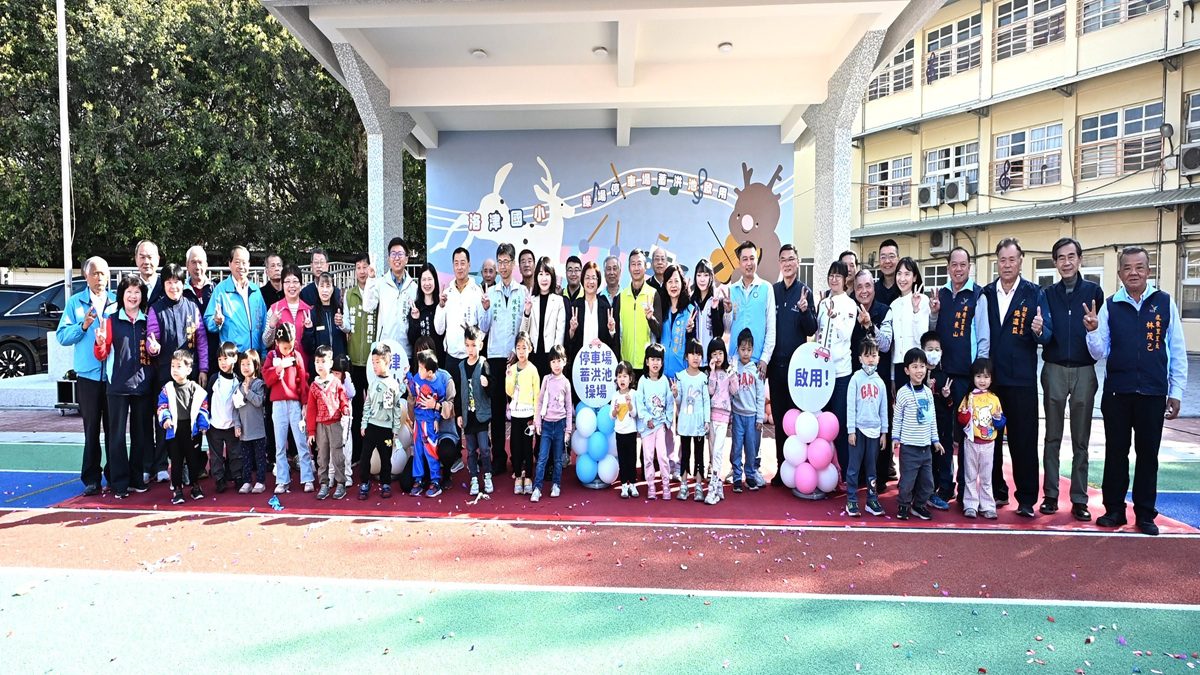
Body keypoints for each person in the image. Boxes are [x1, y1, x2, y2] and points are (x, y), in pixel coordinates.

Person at [1085, 246, 1186, 536]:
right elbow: (1098, 352)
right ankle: (1114, 510)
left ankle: (1145, 513)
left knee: (1148, 455)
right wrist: (1092, 330)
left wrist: (1176, 391)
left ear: (1149, 271)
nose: (1133, 273)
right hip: (1118, 392)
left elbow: (1177, 350)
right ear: (1119, 273)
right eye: (1127, 268)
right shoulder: (1111, 305)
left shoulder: (1164, 302)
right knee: (1116, 453)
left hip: (1153, 393)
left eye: (1139, 267)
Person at [982, 238, 1052, 517]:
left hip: (1021, 379)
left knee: (1024, 440)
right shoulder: (987, 293)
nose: (1007, 265)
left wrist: (1039, 330)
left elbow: (1047, 335)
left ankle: (1026, 498)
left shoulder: (1034, 293)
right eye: (1003, 260)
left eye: (1012, 259)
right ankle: (996, 491)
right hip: (991, 380)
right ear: (997, 263)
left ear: (1021, 260)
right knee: (990, 439)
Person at [1040, 237, 1104, 521]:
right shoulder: (1047, 294)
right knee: (1052, 436)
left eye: (1071, 257)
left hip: (1084, 370)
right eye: (1061, 258)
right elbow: (1044, 333)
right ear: (1055, 262)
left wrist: (1093, 327)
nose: (1066, 262)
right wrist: (1038, 331)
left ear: (1080, 259)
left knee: (1081, 438)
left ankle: (1079, 499)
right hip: (1053, 368)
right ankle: (1051, 495)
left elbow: (1099, 332)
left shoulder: (1093, 291)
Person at [928, 246, 990, 505]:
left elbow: (983, 337)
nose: (958, 269)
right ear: (948, 267)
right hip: (943, 375)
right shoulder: (940, 294)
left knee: (966, 435)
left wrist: (979, 375)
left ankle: (967, 488)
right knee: (942, 433)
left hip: (966, 376)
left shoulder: (978, 295)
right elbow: (931, 333)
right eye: (954, 264)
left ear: (970, 267)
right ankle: (945, 485)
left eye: (963, 264)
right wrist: (933, 313)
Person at [57, 256, 115, 496]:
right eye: (94, 273)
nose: (99, 278)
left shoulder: (116, 301)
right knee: (91, 429)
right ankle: (92, 478)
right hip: (88, 377)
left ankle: (115, 474)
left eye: (103, 273)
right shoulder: (75, 303)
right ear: (85, 276)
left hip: (112, 376)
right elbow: (62, 336)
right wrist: (83, 326)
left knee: (114, 429)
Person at [146, 263, 209, 484]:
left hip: (190, 375)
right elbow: (151, 339)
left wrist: (203, 368)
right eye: (169, 282)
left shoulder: (192, 307)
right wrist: (153, 347)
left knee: (190, 421)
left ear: (183, 284)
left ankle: (192, 466)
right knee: (166, 419)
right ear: (163, 285)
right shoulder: (155, 309)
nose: (174, 286)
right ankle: (164, 465)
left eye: (177, 282)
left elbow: (201, 340)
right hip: (166, 374)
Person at [92, 274, 154, 499]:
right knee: (116, 436)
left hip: (142, 386)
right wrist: (100, 342)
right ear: (122, 295)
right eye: (129, 292)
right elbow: (101, 354)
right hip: (117, 386)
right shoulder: (111, 320)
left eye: (137, 292)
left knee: (140, 436)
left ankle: (137, 479)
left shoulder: (148, 320)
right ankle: (119, 483)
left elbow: (154, 351)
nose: (133, 296)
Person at [768, 245, 816, 486]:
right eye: (783, 260)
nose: (787, 263)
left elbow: (812, 329)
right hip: (775, 366)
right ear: (779, 263)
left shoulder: (805, 292)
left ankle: (798, 467)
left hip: (797, 370)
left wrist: (805, 311)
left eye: (791, 259)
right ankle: (781, 467)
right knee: (779, 419)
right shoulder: (772, 291)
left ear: (797, 262)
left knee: (796, 419)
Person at [479, 243, 527, 474]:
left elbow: (525, 325)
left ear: (513, 264)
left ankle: (520, 457)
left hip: (517, 358)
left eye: (507, 261)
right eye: (500, 262)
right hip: (496, 357)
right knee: (497, 412)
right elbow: (483, 327)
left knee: (519, 410)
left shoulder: (522, 292)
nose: (503, 266)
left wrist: (518, 351)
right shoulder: (490, 293)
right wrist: (485, 309)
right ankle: (498, 457)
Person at [849, 269, 894, 492]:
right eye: (859, 287)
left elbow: (885, 344)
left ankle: (881, 477)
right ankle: (858, 476)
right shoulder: (849, 309)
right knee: (857, 428)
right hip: (855, 381)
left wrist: (869, 325)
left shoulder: (884, 311)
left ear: (874, 287)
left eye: (868, 286)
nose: (864, 291)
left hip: (879, 382)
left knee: (880, 428)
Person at [893, 347, 944, 521]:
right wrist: (895, 438)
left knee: (928, 483)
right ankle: (903, 505)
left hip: (926, 448)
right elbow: (897, 418)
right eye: (914, 367)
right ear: (907, 370)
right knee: (907, 482)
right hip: (909, 448)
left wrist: (935, 440)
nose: (919, 370)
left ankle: (919, 505)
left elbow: (932, 418)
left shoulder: (928, 392)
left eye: (922, 366)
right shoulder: (903, 393)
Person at [262, 323, 314, 494]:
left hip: (294, 404)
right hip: (278, 404)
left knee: (301, 441)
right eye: (284, 347)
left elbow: (303, 381)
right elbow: (267, 379)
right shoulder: (271, 356)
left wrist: (305, 404)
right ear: (277, 343)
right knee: (280, 444)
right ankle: (282, 479)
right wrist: (279, 368)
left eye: (290, 346)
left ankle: (307, 477)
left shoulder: (297, 356)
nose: (287, 350)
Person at [816, 260, 856, 479]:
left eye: (838, 276)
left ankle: (846, 472)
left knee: (839, 423)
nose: (834, 280)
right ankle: (823, 468)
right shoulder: (823, 303)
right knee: (822, 423)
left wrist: (835, 318)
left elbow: (846, 335)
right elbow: (818, 333)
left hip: (841, 372)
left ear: (845, 280)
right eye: (831, 275)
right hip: (822, 372)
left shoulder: (850, 304)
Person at [156, 349, 211, 504]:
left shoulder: (195, 388)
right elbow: (162, 406)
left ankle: (195, 486)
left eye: (179, 366)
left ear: (189, 369)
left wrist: (202, 423)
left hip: (191, 431)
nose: (174, 369)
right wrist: (166, 418)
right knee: (176, 461)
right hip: (174, 431)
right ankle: (177, 489)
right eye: (172, 366)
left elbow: (203, 406)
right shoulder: (167, 389)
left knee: (193, 460)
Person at [957, 357, 1005, 519]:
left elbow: (1000, 423)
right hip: (971, 442)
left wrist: (998, 419)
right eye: (978, 376)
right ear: (972, 378)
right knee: (970, 475)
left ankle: (988, 506)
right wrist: (965, 414)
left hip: (988, 444)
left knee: (986, 477)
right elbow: (962, 420)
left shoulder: (994, 398)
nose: (982, 380)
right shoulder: (968, 397)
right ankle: (970, 505)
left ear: (991, 378)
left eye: (986, 376)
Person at [845, 336, 887, 517]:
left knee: (872, 469)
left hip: (875, 431)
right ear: (860, 358)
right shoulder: (855, 379)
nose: (870, 359)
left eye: (874, 355)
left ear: (878, 358)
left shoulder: (880, 382)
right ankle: (851, 500)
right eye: (867, 355)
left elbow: (884, 409)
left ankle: (871, 499)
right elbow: (850, 407)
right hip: (858, 430)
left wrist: (884, 432)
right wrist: (851, 430)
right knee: (854, 467)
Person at [358, 341, 406, 500]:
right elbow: (367, 404)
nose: (374, 366)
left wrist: (395, 429)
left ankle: (386, 483)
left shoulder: (393, 385)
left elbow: (396, 408)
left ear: (387, 362)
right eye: (373, 362)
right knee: (365, 457)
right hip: (371, 426)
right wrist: (364, 423)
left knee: (386, 458)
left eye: (377, 362)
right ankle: (364, 483)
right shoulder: (372, 383)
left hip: (386, 429)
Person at [343, 253, 376, 470]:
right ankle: (356, 452)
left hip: (374, 362)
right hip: (354, 360)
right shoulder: (349, 294)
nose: (362, 271)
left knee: (373, 408)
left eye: (365, 267)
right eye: (358, 267)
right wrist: (341, 323)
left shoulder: (376, 291)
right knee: (355, 408)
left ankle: (372, 452)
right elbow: (347, 325)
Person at [725, 242, 776, 382]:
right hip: (734, 362)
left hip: (757, 363)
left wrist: (765, 359)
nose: (749, 263)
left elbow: (771, 327)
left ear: (757, 260)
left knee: (757, 396)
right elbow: (727, 329)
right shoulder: (732, 290)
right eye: (745, 259)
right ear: (739, 263)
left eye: (752, 258)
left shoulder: (766, 288)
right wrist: (727, 312)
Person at [306, 344, 351, 500]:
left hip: (335, 423)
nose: (320, 365)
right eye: (317, 362)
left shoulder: (336, 382)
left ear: (330, 363)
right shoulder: (314, 386)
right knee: (322, 456)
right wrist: (311, 431)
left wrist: (345, 409)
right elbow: (311, 410)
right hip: (320, 426)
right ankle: (324, 483)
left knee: (337, 455)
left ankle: (341, 483)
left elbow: (343, 398)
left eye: (323, 361)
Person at [205, 246, 267, 355]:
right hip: (232, 356)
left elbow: (263, 323)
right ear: (230, 264)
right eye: (237, 262)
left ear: (249, 264)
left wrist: (263, 353)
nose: (241, 266)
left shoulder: (255, 290)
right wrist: (216, 321)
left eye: (244, 262)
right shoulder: (221, 290)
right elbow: (208, 319)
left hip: (253, 356)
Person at [531, 344, 574, 502]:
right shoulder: (546, 380)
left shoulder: (566, 383)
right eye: (553, 361)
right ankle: (537, 487)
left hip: (560, 425)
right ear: (550, 363)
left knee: (557, 459)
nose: (556, 365)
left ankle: (556, 484)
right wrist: (538, 422)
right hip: (547, 424)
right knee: (542, 458)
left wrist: (568, 430)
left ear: (565, 361)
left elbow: (568, 408)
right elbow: (540, 401)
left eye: (559, 361)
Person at [365, 236, 418, 361]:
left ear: (406, 259)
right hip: (385, 352)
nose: (397, 258)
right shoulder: (380, 283)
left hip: (406, 352)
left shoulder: (413, 287)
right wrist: (371, 279)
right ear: (389, 259)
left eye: (400, 254)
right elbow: (368, 306)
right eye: (393, 254)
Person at [407, 348, 451, 498]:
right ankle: (418, 479)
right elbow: (413, 390)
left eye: (421, 368)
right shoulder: (417, 377)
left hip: (430, 422)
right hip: (418, 421)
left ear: (430, 372)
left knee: (431, 450)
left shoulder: (439, 384)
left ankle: (435, 480)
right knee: (417, 450)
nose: (418, 370)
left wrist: (437, 419)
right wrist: (407, 376)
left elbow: (441, 402)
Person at [436, 247, 485, 379]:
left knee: (471, 392)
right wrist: (441, 306)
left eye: (463, 263)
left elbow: (483, 327)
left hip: (471, 357)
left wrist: (474, 346)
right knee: (452, 392)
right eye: (456, 263)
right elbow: (439, 330)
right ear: (453, 266)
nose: (459, 267)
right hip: (451, 357)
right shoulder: (447, 293)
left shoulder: (477, 292)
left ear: (469, 265)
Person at [458, 326, 493, 496]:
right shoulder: (461, 366)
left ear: (480, 344)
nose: (470, 349)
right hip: (468, 416)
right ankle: (473, 477)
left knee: (484, 448)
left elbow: (491, 390)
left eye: (473, 345)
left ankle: (487, 475)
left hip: (481, 415)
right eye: (467, 345)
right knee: (471, 449)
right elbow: (458, 392)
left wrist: (488, 384)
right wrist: (459, 413)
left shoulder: (484, 364)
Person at [636, 342, 674, 500]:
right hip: (647, 427)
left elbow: (670, 403)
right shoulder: (642, 381)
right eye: (652, 359)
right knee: (648, 457)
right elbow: (639, 403)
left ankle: (665, 485)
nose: (655, 363)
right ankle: (651, 485)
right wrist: (647, 418)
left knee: (663, 456)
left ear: (662, 362)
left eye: (658, 359)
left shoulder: (664, 381)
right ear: (647, 361)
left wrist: (667, 421)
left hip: (660, 425)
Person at [920, 331, 953, 510]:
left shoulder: (944, 375)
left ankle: (945, 488)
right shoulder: (918, 373)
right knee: (927, 459)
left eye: (937, 349)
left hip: (942, 426)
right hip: (923, 427)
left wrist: (946, 396)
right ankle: (926, 490)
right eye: (929, 349)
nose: (933, 353)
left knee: (943, 456)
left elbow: (950, 405)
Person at [729, 328, 765, 493]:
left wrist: (760, 418)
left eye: (749, 350)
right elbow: (729, 392)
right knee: (736, 447)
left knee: (751, 449)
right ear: (738, 349)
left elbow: (760, 396)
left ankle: (750, 475)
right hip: (737, 414)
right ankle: (737, 477)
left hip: (751, 417)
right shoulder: (733, 368)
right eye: (743, 349)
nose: (746, 353)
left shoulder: (755, 370)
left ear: (753, 350)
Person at [205, 341, 243, 494]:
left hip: (232, 426)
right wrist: (205, 420)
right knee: (216, 456)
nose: (223, 362)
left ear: (235, 358)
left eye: (226, 358)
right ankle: (219, 479)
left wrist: (239, 424)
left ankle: (237, 476)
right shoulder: (214, 379)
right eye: (220, 359)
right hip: (214, 425)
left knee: (235, 453)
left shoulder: (238, 380)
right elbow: (207, 399)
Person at [675, 339, 710, 502]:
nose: (696, 357)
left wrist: (707, 420)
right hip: (685, 424)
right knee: (685, 454)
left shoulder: (703, 377)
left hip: (699, 424)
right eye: (692, 353)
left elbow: (706, 401)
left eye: (699, 354)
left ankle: (698, 485)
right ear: (686, 356)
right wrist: (675, 394)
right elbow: (679, 401)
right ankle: (683, 485)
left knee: (699, 455)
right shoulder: (680, 377)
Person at [566, 261, 618, 367]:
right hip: (580, 363)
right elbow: (568, 341)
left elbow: (612, 343)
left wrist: (612, 331)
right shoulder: (575, 306)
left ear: (598, 281)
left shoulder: (605, 307)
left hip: (600, 362)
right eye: (587, 278)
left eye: (594, 278)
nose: (590, 281)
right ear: (582, 280)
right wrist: (572, 330)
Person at [506, 332, 539, 495]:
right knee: (515, 445)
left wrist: (535, 416)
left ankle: (529, 477)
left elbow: (537, 394)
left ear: (530, 349)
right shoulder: (512, 369)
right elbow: (509, 391)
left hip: (528, 414)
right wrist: (509, 378)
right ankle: (518, 475)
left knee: (527, 446)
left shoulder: (533, 370)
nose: (521, 351)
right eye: (518, 348)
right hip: (516, 414)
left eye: (524, 348)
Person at [889, 257, 930, 386]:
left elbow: (921, 338)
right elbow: (894, 344)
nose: (902, 279)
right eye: (899, 274)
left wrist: (915, 310)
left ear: (914, 277)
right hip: (899, 366)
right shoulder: (893, 305)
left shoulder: (923, 300)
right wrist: (892, 376)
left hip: (917, 366)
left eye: (907, 274)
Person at [523, 256, 567, 377]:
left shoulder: (558, 301)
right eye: (541, 274)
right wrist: (527, 312)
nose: (544, 278)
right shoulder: (531, 300)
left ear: (552, 277)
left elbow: (560, 333)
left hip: (551, 357)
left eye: (547, 274)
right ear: (536, 276)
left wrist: (556, 358)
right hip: (533, 356)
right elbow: (523, 332)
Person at [233, 349, 269, 494]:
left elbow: (259, 402)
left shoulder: (259, 384)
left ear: (256, 365)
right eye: (242, 364)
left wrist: (248, 392)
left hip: (258, 430)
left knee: (260, 458)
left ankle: (260, 481)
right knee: (246, 458)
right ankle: (247, 481)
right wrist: (237, 424)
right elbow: (235, 408)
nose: (245, 367)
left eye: (248, 364)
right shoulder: (238, 386)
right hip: (244, 431)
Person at [650, 263, 694, 380]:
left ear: (682, 283)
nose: (673, 285)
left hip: (682, 374)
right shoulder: (662, 310)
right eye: (669, 282)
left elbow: (693, 343)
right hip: (661, 374)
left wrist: (690, 331)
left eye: (676, 281)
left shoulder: (690, 311)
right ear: (665, 285)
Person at [705, 338, 735, 505]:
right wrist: (711, 372)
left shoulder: (728, 372)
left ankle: (713, 487)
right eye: (714, 354)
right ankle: (718, 486)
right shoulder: (710, 373)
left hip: (724, 418)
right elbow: (710, 391)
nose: (717, 357)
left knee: (718, 451)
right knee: (712, 452)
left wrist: (732, 374)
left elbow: (735, 391)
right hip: (712, 416)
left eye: (720, 353)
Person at [615, 249, 656, 369]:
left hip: (647, 365)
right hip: (626, 364)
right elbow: (616, 333)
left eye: (639, 264)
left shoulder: (653, 294)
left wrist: (651, 319)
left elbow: (658, 331)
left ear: (645, 267)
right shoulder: (621, 297)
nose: (636, 268)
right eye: (633, 264)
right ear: (629, 268)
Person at [263, 265, 312, 363]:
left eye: (295, 281)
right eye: (287, 281)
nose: (291, 285)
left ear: (301, 285)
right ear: (282, 284)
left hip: (303, 366)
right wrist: (272, 325)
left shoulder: (308, 311)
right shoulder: (274, 309)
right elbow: (266, 343)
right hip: (281, 367)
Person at [183, 246, 217, 375]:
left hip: (215, 356)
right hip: (189, 357)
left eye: (200, 262)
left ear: (206, 265)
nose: (197, 267)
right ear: (187, 265)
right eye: (193, 262)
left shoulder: (216, 290)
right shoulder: (181, 292)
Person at [303, 272, 347, 367]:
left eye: (328, 286)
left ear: (333, 289)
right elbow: (308, 348)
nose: (325, 290)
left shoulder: (340, 311)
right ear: (317, 288)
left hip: (338, 366)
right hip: (320, 368)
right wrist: (308, 329)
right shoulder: (312, 313)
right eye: (322, 286)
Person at [610, 361, 640, 499]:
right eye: (619, 376)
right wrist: (615, 411)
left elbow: (635, 414)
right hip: (619, 432)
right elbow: (611, 416)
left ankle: (633, 484)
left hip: (631, 432)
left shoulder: (634, 394)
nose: (622, 379)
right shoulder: (615, 396)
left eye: (625, 376)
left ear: (630, 378)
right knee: (622, 460)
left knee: (631, 459)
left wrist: (629, 405)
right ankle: (623, 485)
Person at [408, 262, 445, 363]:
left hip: (439, 361)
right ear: (419, 282)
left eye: (430, 279)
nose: (427, 283)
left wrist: (442, 307)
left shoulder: (441, 306)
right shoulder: (415, 307)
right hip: (420, 364)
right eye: (424, 279)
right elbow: (412, 340)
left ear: (435, 280)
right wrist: (415, 320)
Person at [691, 259, 728, 354]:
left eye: (706, 275)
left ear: (711, 277)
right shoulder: (691, 301)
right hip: (695, 357)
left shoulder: (717, 300)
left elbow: (719, 334)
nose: (702, 279)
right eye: (699, 275)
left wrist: (714, 310)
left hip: (712, 357)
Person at [135, 240, 166, 306]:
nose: (146, 262)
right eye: (142, 257)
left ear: (158, 259)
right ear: (136, 259)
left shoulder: (166, 287)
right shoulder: (129, 288)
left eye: (150, 257)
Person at [874, 239, 901, 307]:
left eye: (891, 256)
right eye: (883, 257)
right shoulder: (873, 290)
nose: (887, 261)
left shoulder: (905, 289)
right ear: (879, 261)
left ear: (898, 259)